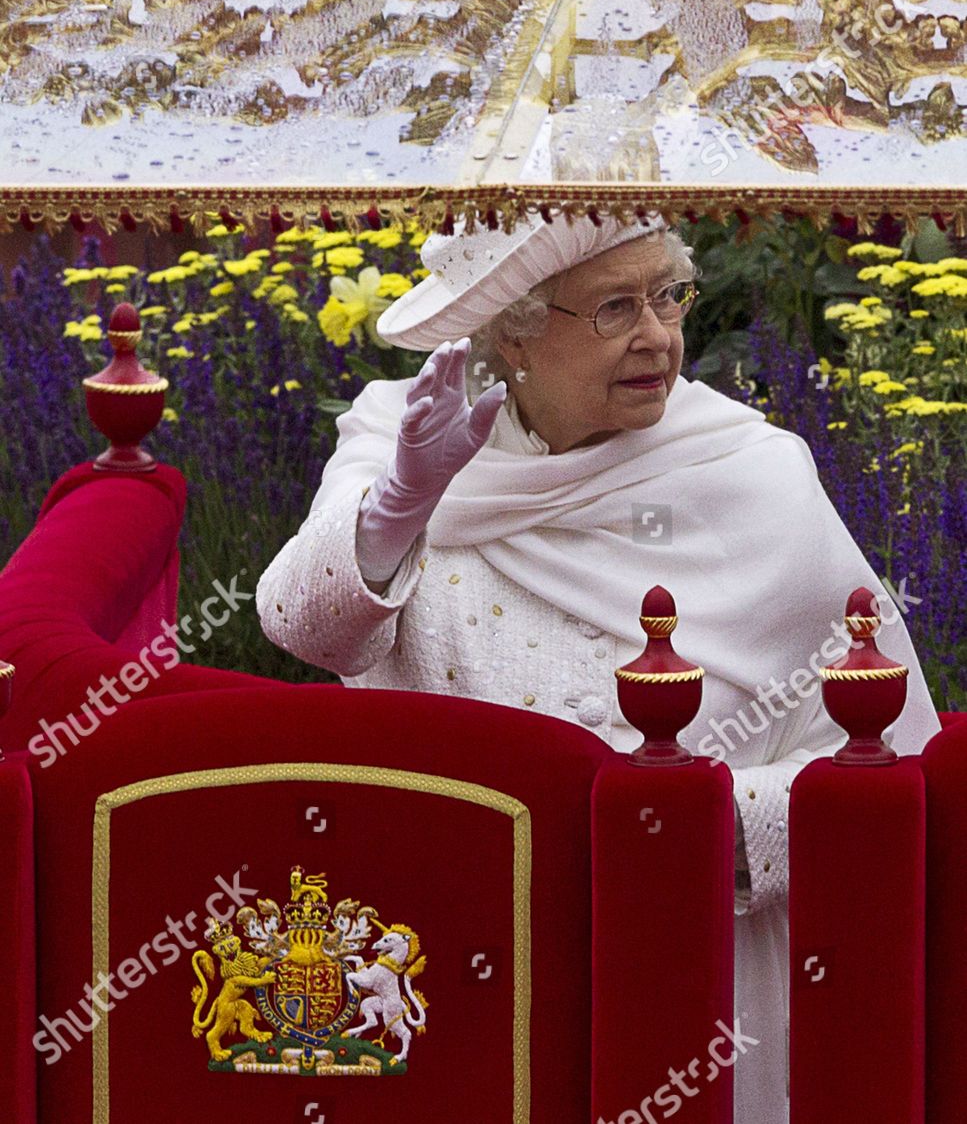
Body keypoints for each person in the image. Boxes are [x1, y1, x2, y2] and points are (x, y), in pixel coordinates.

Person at [257, 206, 941, 1122]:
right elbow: (309, 628)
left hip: (697, 958)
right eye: (614, 308)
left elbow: (878, 751)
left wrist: (677, 833)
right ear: (514, 332)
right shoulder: (404, 441)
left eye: (668, 295)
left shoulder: (752, 471)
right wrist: (401, 504)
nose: (658, 335)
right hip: (460, 951)